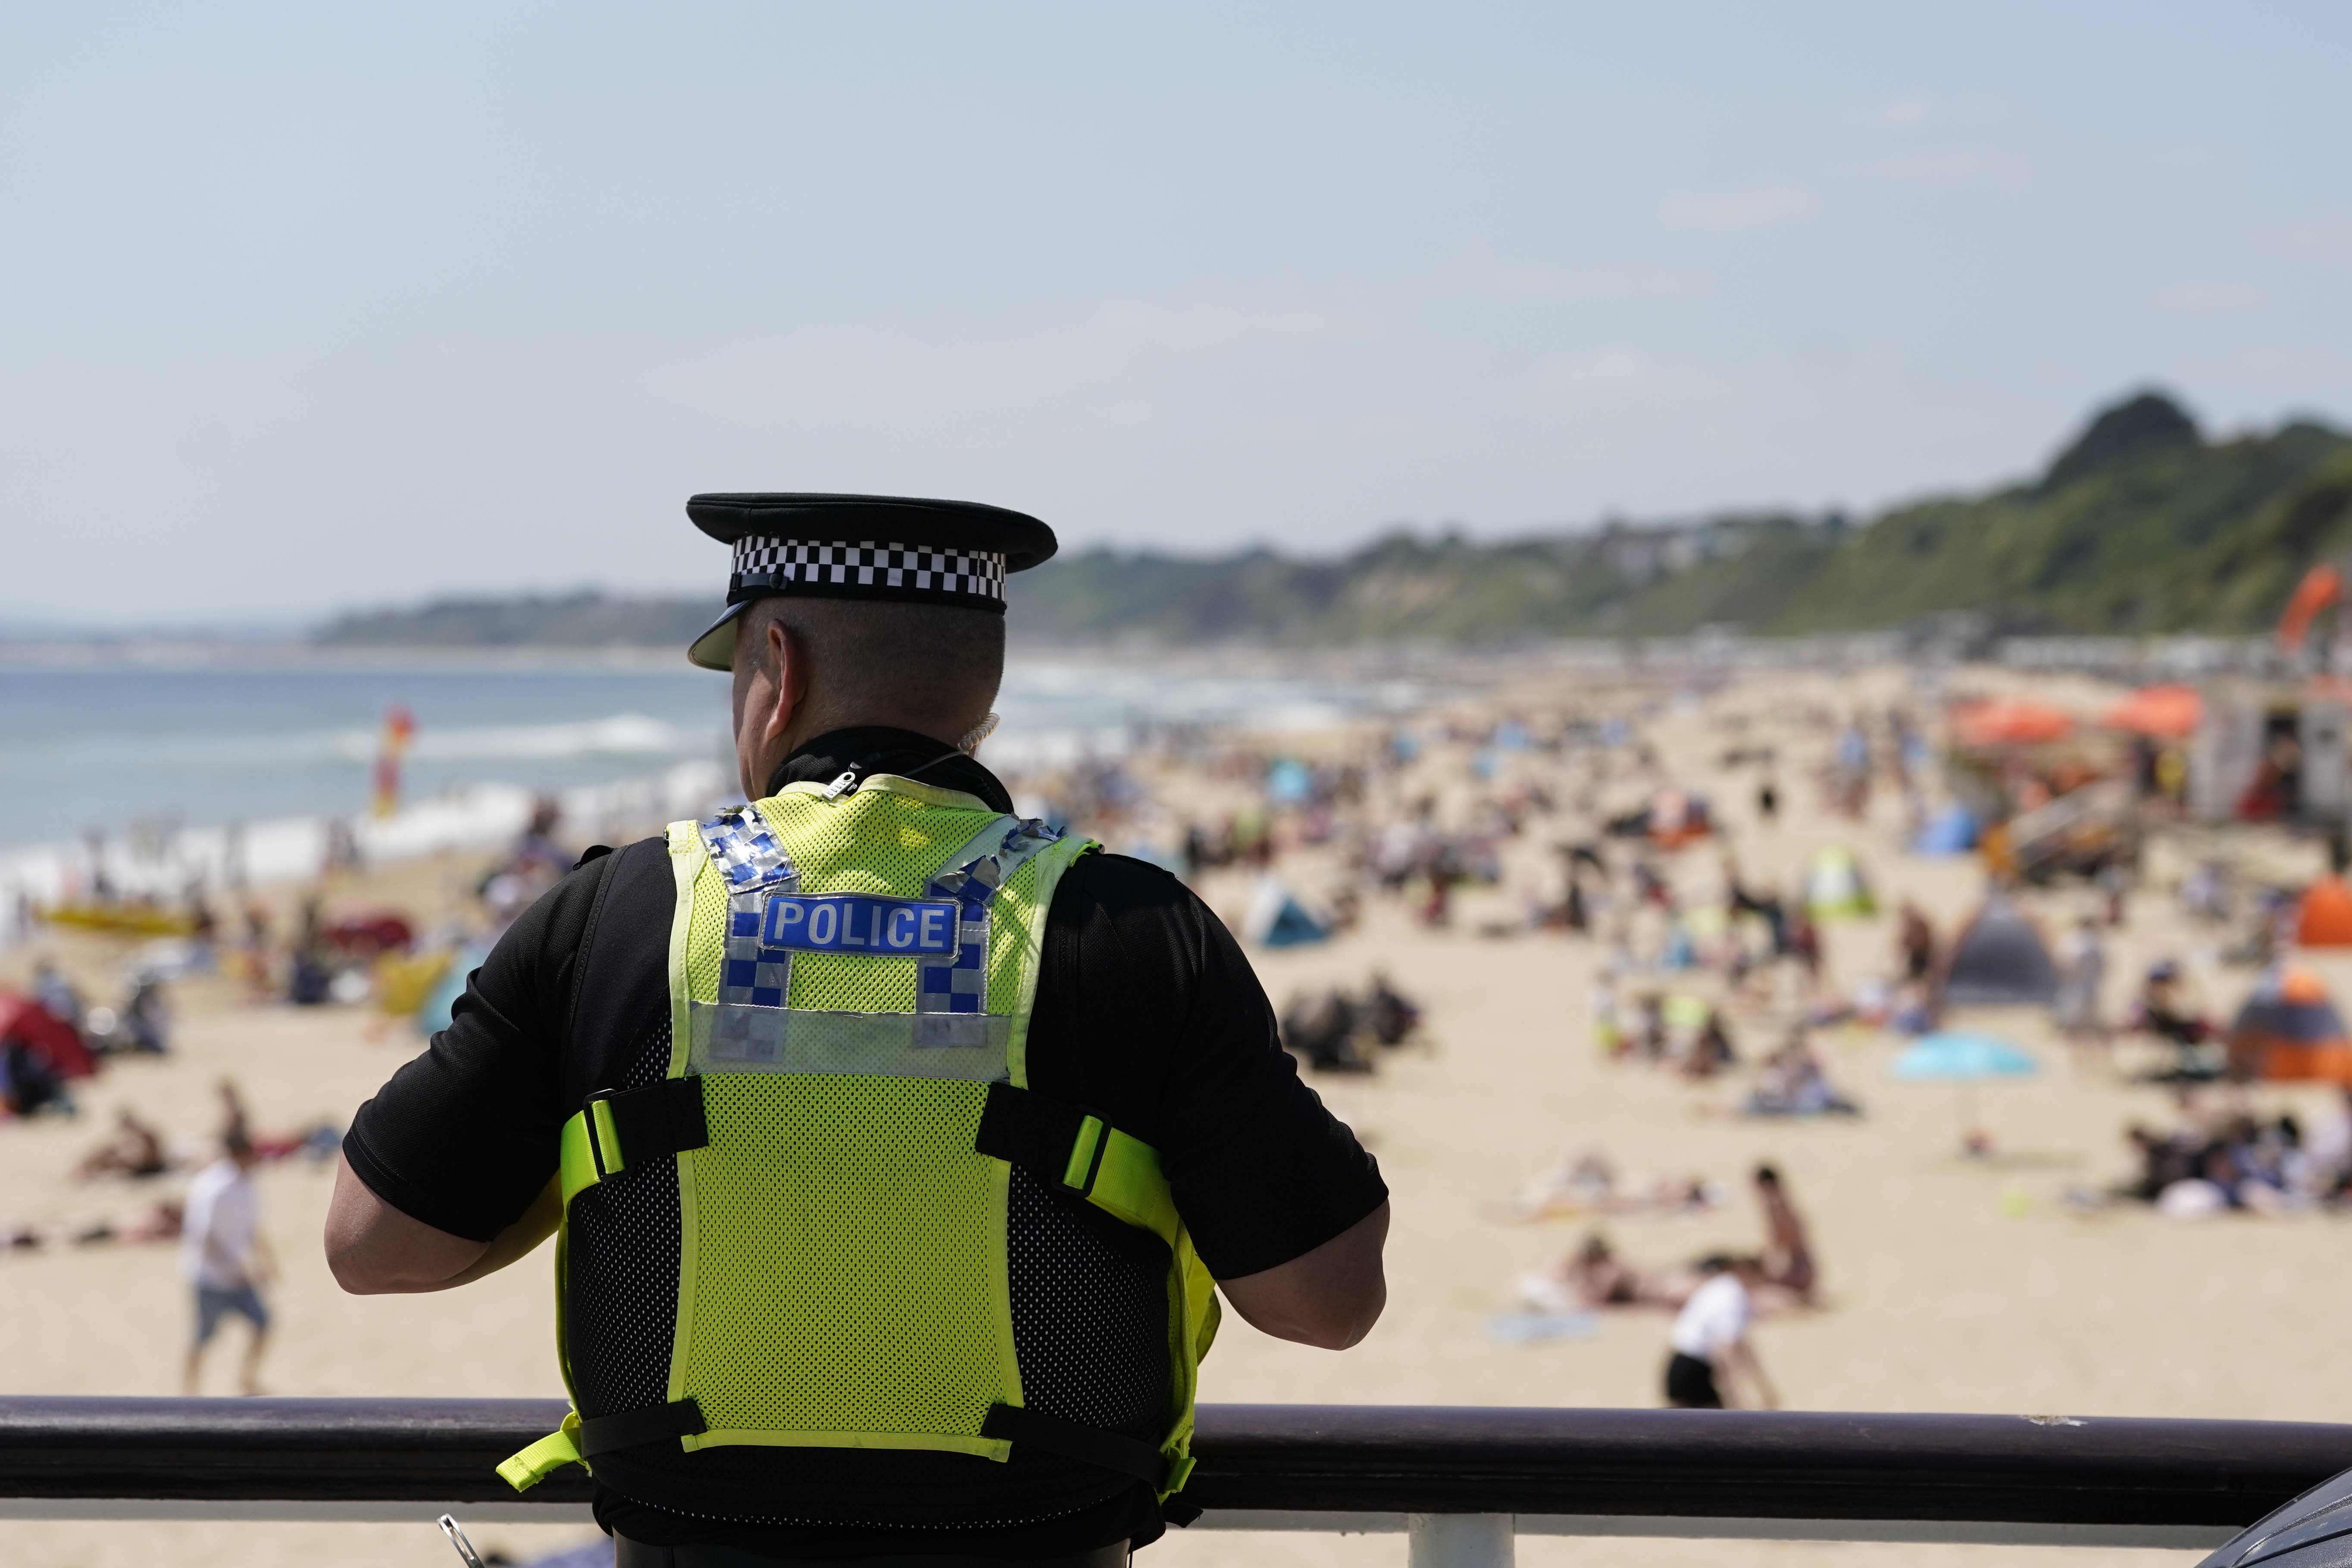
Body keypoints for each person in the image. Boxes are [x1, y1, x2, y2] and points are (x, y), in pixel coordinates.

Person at [324, 493, 1389, 1568]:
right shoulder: (1133, 928)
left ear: (776, 672)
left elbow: (374, 1246)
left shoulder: (613, 915)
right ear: (986, 695)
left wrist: (593, 1158)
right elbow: (1325, 1301)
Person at [181, 1129, 272, 1395]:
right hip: (210, 1276)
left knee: (263, 1324)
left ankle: (247, 1380)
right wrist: (240, 1266)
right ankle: (190, 1392)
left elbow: (254, 1227)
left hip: (238, 1275)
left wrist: (267, 1262)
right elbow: (205, 1237)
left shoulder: (247, 1183)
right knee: (202, 1337)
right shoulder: (214, 1187)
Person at [1663, 1255, 1777, 1410]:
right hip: (1693, 1367)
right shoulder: (1733, 1296)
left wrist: (1764, 1389)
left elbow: (1742, 1346)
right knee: (1713, 1423)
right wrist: (1734, 1399)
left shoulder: (1724, 1288)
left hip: (1681, 1363)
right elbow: (1725, 1351)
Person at [1752, 1164, 1818, 1301]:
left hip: (1798, 1271)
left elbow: (1777, 1246)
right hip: (1806, 1268)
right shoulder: (1786, 1203)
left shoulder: (1775, 1207)